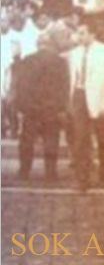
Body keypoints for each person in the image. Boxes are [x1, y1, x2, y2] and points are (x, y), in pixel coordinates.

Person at [69, 18, 104, 191]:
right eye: (78, 33)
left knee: (103, 139)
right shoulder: (75, 53)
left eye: (83, 33)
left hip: (99, 99)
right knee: (81, 139)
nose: (79, 36)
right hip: (79, 97)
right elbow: (72, 78)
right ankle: (83, 179)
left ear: (92, 33)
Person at [16, 34, 70, 182]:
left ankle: (24, 171)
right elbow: (64, 87)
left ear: (37, 44)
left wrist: (22, 107)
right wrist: (62, 107)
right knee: (51, 141)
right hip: (51, 109)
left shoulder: (27, 60)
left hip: (31, 109)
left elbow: (21, 86)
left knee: (27, 142)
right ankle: (51, 173)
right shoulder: (60, 62)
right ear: (51, 45)